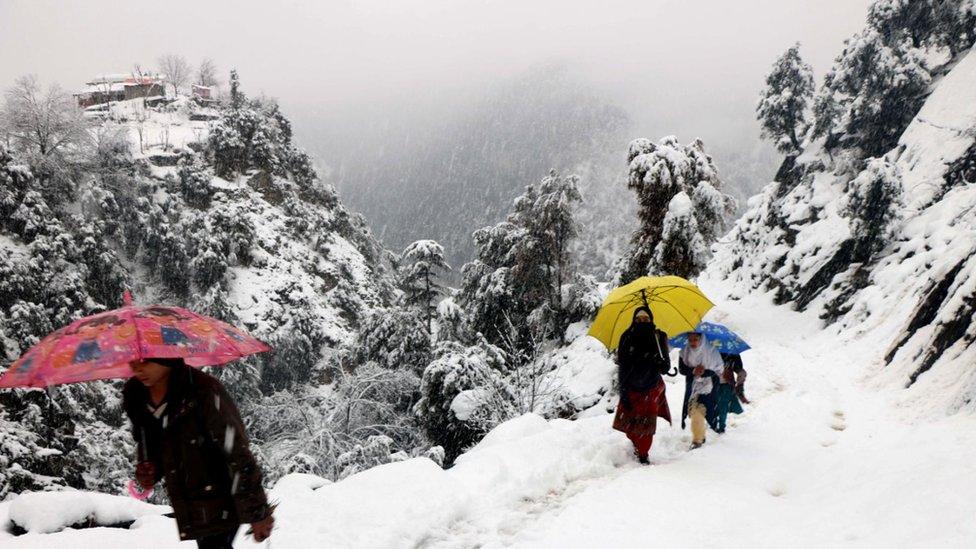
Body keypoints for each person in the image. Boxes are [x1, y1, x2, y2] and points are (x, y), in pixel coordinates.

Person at [123, 357, 274, 549]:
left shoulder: (203, 391)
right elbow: (154, 446)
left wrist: (258, 512)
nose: (137, 368)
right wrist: (150, 469)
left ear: (166, 358)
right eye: (133, 361)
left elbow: (237, 452)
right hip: (190, 500)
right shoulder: (138, 397)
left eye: (144, 361)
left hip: (222, 495)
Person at [612, 307, 672, 464]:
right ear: (634, 321)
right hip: (631, 386)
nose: (642, 322)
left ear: (651, 320)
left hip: (651, 386)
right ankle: (637, 444)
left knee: (647, 427)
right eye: (638, 320)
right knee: (630, 424)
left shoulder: (659, 337)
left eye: (646, 319)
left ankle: (644, 454)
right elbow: (623, 365)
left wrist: (659, 361)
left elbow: (665, 368)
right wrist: (623, 391)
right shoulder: (626, 337)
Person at [678, 332, 724, 449]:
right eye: (690, 340)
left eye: (696, 339)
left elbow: (718, 370)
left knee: (703, 411)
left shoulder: (711, 351)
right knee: (694, 411)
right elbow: (682, 369)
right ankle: (699, 437)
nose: (692, 342)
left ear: (701, 339)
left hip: (709, 387)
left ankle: (698, 439)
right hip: (692, 387)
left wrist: (705, 372)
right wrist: (693, 371)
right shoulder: (685, 352)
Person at [714, 353, 746, 433]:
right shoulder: (709, 350)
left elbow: (739, 368)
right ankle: (714, 423)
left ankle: (721, 426)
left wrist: (740, 373)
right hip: (712, 383)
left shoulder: (732, 353)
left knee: (723, 406)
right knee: (714, 405)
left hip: (726, 383)